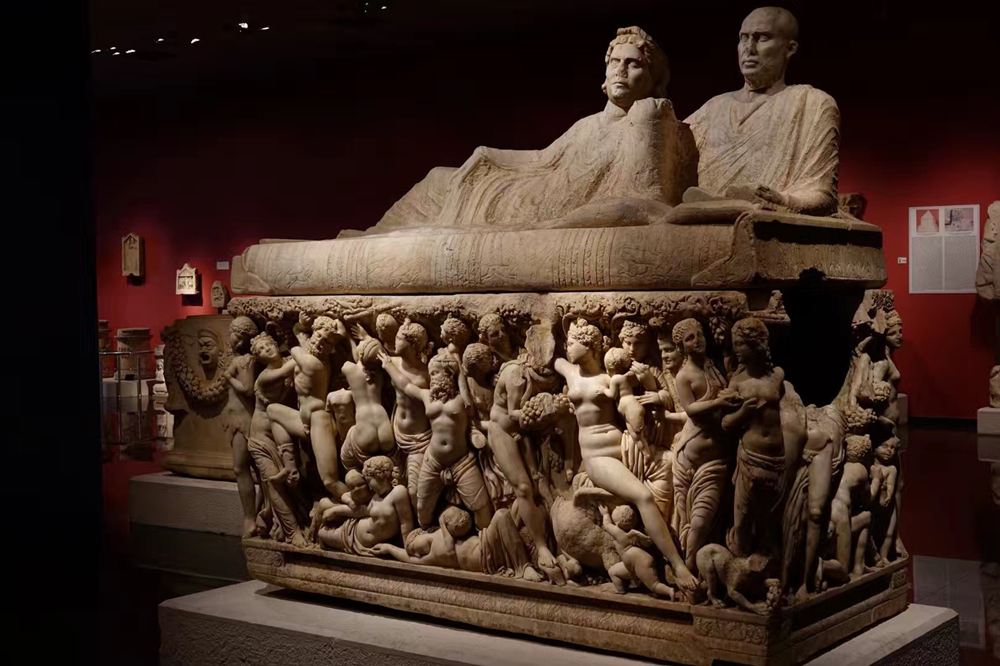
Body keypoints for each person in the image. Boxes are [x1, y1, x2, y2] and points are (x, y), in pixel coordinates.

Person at [364, 26, 694, 234]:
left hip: (545, 203)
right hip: (535, 187)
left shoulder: (649, 119)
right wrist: (488, 155)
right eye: (614, 62)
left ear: (652, 78)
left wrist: (553, 223)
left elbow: (643, 198)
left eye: (633, 64)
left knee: (442, 185)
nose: (621, 70)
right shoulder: (588, 124)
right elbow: (542, 159)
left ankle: (382, 236)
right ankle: (376, 234)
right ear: (605, 74)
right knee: (439, 176)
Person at [555, 318, 698, 592]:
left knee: (672, 464)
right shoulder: (569, 371)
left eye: (572, 343)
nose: (567, 347)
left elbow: (634, 407)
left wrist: (649, 386)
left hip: (626, 445)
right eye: (568, 342)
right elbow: (550, 358)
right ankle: (677, 565)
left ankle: (674, 545)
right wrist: (569, 322)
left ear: (590, 347)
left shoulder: (612, 378)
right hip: (598, 457)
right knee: (643, 497)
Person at [684, 7, 839, 217]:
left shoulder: (812, 104)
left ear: (790, 48)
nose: (749, 48)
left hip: (765, 218)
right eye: (743, 38)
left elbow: (823, 197)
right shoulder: (712, 109)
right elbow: (670, 156)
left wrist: (779, 200)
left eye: (762, 38)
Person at [380, 348, 494, 529]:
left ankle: (484, 537)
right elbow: (406, 386)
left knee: (482, 506)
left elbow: (469, 404)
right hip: (433, 460)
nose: (431, 378)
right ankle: (428, 533)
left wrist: (457, 365)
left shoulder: (461, 400)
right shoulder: (427, 397)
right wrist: (388, 366)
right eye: (431, 374)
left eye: (435, 373)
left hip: (461, 461)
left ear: (448, 374)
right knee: (422, 507)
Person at [723, 318, 805, 559]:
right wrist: (742, 412)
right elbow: (726, 423)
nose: (737, 350)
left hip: (777, 459)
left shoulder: (777, 376)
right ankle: (740, 563)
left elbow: (784, 406)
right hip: (750, 458)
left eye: (741, 344)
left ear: (756, 344)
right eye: (734, 344)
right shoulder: (737, 383)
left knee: (771, 520)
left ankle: (768, 569)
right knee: (743, 520)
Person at [487, 325, 565, 573]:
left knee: (537, 484)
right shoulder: (516, 375)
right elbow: (514, 414)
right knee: (522, 487)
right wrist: (544, 412)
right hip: (503, 431)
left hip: (524, 433)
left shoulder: (541, 374)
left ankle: (512, 535)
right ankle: (541, 548)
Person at [671, 318, 738, 571]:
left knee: (701, 521)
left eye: (699, 335)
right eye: (690, 338)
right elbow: (690, 409)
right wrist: (719, 402)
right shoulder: (684, 376)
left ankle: (691, 566)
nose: (697, 341)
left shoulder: (712, 366)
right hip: (689, 460)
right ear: (681, 346)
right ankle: (688, 570)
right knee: (687, 519)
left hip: (715, 460)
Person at [266, 314, 350, 499]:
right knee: (272, 411)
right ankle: (290, 466)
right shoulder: (312, 351)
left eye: (326, 341)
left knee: (330, 481)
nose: (320, 342)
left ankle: (358, 508)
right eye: (318, 335)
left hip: (319, 420)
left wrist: (300, 328)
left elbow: (295, 344)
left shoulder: (312, 362)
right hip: (304, 419)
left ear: (331, 348)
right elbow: (301, 335)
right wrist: (303, 325)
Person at [246, 332, 309, 547]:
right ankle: (293, 532)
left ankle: (292, 522)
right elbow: (288, 369)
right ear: (260, 359)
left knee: (292, 484)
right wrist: (303, 347)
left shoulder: (291, 360)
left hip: (283, 438)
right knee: (274, 485)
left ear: (275, 344)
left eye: (268, 345)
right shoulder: (266, 376)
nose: (267, 350)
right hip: (261, 440)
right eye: (261, 351)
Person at [382, 319, 434, 511]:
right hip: (395, 433)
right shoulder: (394, 361)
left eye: (399, 338)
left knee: (415, 490)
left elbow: (406, 386)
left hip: (417, 441)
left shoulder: (425, 375)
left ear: (412, 345)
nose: (394, 341)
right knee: (396, 483)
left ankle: (421, 522)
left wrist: (388, 367)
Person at [316, 456, 415, 554]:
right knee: (321, 532)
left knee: (322, 533)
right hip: (352, 531)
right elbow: (362, 511)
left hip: (359, 541)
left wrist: (407, 549)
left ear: (379, 475)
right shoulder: (376, 496)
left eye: (369, 481)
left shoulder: (398, 492)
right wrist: (335, 511)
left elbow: (405, 523)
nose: (370, 488)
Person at [337, 325, 396, 471]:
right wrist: (367, 338)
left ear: (360, 353)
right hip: (385, 428)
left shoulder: (348, 368)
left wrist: (350, 339)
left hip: (365, 427)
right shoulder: (380, 372)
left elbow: (356, 358)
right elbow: (378, 353)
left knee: (347, 460)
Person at [223, 316, 262, 538]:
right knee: (254, 469)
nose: (236, 342)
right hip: (237, 418)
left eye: (241, 339)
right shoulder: (240, 359)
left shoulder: (245, 361)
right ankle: (257, 515)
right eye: (235, 337)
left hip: (244, 420)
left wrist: (229, 377)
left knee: (241, 468)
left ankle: (250, 518)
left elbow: (247, 389)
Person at [599, 504, 676, 599]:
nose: (617, 506)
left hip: (641, 563)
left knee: (653, 585)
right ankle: (621, 590)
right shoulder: (632, 532)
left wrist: (605, 514)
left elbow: (607, 525)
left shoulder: (619, 533)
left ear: (618, 524)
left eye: (618, 509)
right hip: (633, 564)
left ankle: (669, 591)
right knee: (612, 571)